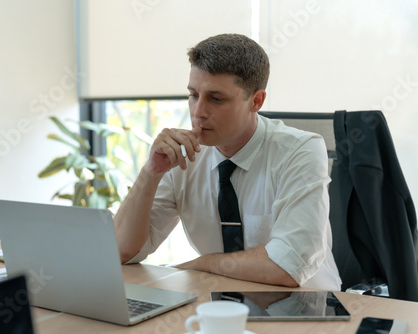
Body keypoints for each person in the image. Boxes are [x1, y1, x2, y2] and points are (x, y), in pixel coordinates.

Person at [114, 33, 341, 290]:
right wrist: (150, 172)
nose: (198, 112)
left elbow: (287, 267)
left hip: (303, 309)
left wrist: (203, 263)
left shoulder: (300, 151)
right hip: (217, 304)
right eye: (193, 95)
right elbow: (121, 251)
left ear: (256, 101)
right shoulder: (182, 154)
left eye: (216, 99)